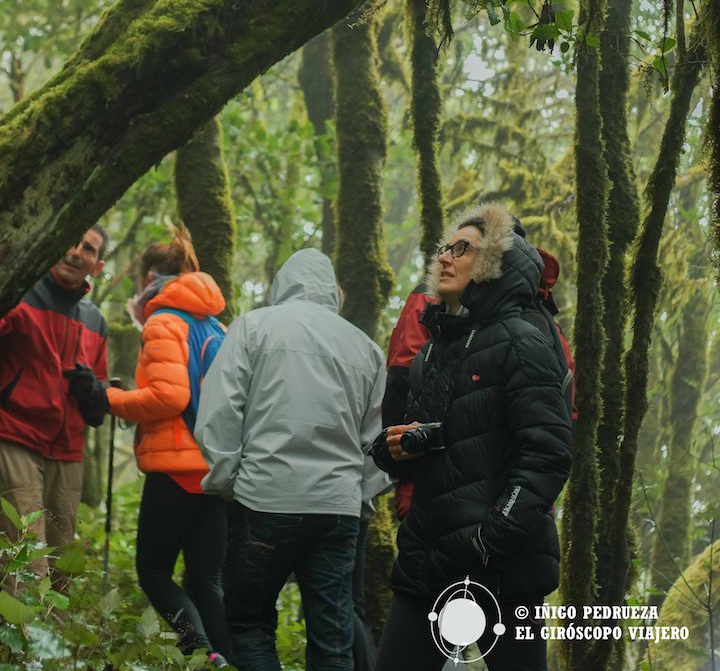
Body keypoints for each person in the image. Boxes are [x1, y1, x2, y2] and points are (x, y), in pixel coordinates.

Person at [372, 202, 573, 671]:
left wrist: (491, 538)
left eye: (462, 248)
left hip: (506, 568)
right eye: (445, 247)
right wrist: (395, 449)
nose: (444, 256)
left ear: (491, 264)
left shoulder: (524, 341)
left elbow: (547, 453)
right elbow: (442, 438)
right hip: (428, 561)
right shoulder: (432, 351)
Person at [195, 247, 387, 671]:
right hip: (337, 510)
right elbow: (379, 441)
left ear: (283, 284)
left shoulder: (253, 327)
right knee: (333, 641)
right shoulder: (366, 348)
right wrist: (360, 496)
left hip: (264, 499)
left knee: (249, 625)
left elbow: (218, 412)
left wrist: (229, 480)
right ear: (332, 292)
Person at [103, 225, 231, 670]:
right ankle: (223, 659)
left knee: (154, 572)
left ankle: (201, 652)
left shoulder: (164, 321)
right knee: (206, 578)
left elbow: (168, 397)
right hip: (216, 472)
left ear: (150, 278)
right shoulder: (216, 324)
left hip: (177, 469)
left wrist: (110, 399)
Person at [0, 225, 109, 563]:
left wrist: (92, 390)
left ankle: (54, 619)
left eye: (88, 249)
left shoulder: (95, 320)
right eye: (71, 241)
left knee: (63, 563)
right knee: (27, 559)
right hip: (15, 435)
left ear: (97, 266)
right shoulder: (21, 293)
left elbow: (102, 397)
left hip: (68, 452)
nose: (76, 252)